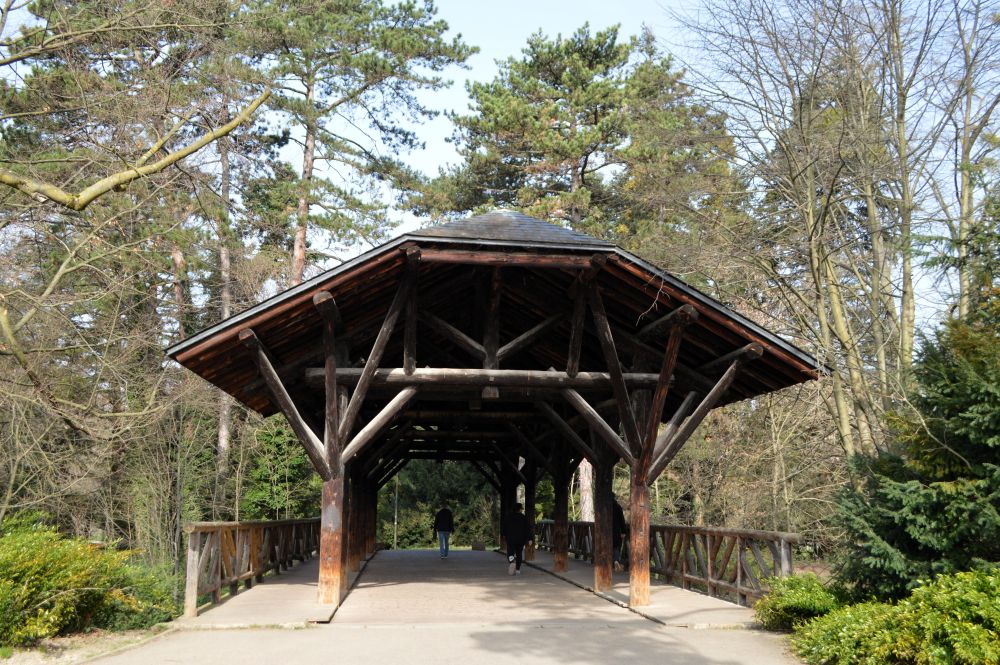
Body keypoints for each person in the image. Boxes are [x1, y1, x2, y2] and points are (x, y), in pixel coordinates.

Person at [503, 502, 532, 575]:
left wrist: (504, 535)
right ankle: (518, 569)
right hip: (520, 539)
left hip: (510, 539)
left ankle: (512, 562)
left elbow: (504, 528)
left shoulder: (508, 517)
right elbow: (528, 529)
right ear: (519, 509)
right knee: (519, 554)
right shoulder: (523, 517)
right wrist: (530, 538)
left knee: (510, 553)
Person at [612, 498, 627, 572]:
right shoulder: (618, 507)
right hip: (616, 531)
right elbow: (622, 520)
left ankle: (610, 563)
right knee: (616, 547)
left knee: (607, 547)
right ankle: (616, 561)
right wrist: (624, 531)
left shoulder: (604, 507)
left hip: (605, 532)